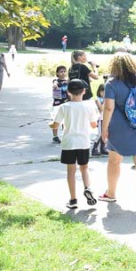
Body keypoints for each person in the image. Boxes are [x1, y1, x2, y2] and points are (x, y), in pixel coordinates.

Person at [98, 53, 136, 210]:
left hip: (119, 127)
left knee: (114, 160)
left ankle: (111, 193)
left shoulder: (112, 84)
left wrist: (104, 128)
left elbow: (108, 108)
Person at [50, 79, 98, 209]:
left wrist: (50, 124)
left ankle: (73, 200)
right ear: (84, 91)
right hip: (83, 142)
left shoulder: (64, 107)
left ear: (68, 92)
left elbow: (55, 125)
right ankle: (87, 187)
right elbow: (94, 125)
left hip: (69, 143)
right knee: (84, 168)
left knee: (71, 171)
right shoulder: (89, 107)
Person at [50, 65, 70, 143]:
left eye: (64, 71)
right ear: (57, 73)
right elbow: (54, 84)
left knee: (66, 121)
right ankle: (55, 136)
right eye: (61, 72)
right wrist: (55, 86)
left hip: (66, 103)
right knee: (56, 120)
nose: (63, 73)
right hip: (57, 104)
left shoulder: (68, 81)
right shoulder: (56, 81)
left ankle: (65, 135)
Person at [91, 84, 108, 156]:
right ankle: (94, 149)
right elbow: (101, 109)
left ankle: (102, 148)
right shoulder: (97, 99)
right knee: (99, 134)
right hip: (100, 119)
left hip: (105, 118)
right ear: (99, 91)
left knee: (104, 133)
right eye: (102, 92)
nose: (104, 93)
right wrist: (105, 101)